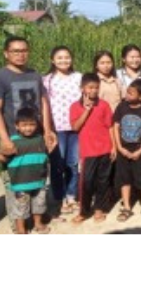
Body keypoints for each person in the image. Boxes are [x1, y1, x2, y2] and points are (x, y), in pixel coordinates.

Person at [0, 36, 57, 230]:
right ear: (6, 53)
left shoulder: (34, 75)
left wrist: (48, 130)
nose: (20, 54)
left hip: (35, 138)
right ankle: (18, 223)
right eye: (16, 51)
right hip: (13, 137)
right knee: (15, 183)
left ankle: (37, 219)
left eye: (24, 50)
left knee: (37, 176)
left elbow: (43, 102)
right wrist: (4, 139)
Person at [69, 73, 115, 224]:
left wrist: (113, 146)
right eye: (90, 87)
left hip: (105, 149)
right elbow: (75, 127)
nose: (93, 90)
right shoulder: (75, 107)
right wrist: (86, 111)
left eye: (96, 87)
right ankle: (83, 211)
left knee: (103, 180)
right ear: (82, 88)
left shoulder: (104, 105)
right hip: (88, 151)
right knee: (86, 181)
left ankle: (99, 209)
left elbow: (110, 127)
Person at [42, 45, 83, 214]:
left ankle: (72, 195)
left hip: (76, 127)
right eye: (59, 58)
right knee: (57, 164)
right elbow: (43, 105)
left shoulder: (78, 77)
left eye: (67, 57)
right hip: (56, 128)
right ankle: (59, 198)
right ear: (53, 60)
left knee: (73, 164)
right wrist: (47, 128)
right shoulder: (46, 80)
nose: (64, 60)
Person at [2, 108, 54, 234]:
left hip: (39, 181)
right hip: (20, 183)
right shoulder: (12, 141)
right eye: (24, 125)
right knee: (20, 207)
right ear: (17, 126)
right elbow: (4, 158)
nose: (28, 128)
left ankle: (38, 223)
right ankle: (21, 229)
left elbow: (45, 154)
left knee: (39, 205)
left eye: (32, 124)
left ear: (37, 125)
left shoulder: (41, 139)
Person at [112, 80, 141, 222]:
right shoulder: (122, 106)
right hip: (123, 149)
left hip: (140, 150)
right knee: (124, 179)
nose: (127, 94)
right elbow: (116, 126)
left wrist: (140, 150)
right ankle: (127, 207)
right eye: (127, 91)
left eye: (131, 93)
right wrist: (119, 147)